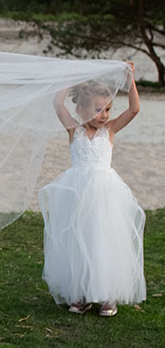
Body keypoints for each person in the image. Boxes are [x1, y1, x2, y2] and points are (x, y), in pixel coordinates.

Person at [40, 65, 144, 316]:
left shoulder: (110, 132)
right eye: (98, 110)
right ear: (81, 110)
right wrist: (67, 77)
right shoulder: (74, 131)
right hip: (77, 195)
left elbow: (134, 109)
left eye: (107, 109)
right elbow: (58, 105)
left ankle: (107, 295)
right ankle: (81, 293)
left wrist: (130, 82)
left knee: (103, 240)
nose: (104, 115)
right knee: (79, 240)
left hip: (104, 197)